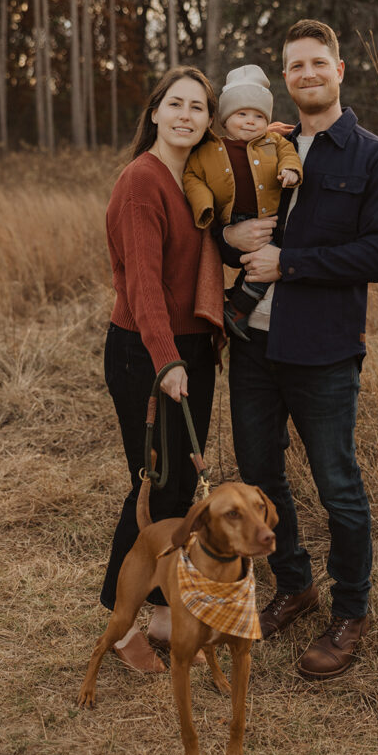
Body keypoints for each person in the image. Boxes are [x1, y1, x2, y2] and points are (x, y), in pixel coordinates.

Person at [219, 19, 378, 681]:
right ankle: (293, 587)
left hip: (323, 350)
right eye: (293, 66)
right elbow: (226, 229)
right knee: (261, 478)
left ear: (338, 70)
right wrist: (233, 240)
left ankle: (349, 612)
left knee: (338, 486)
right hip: (251, 346)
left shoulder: (374, 158)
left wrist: (288, 263)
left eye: (315, 63)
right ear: (284, 79)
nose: (304, 74)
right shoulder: (259, 146)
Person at [100, 66, 224, 672]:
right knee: (152, 484)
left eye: (198, 108)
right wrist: (166, 358)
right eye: (175, 104)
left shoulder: (193, 178)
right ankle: (120, 622)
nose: (185, 115)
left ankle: (159, 614)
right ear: (154, 112)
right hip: (146, 354)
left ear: (208, 120)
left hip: (190, 352)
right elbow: (143, 284)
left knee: (179, 489)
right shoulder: (142, 181)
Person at [182, 64, 303, 341]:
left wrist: (291, 170)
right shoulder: (210, 150)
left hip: (267, 221)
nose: (250, 121)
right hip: (231, 220)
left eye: (258, 116)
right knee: (249, 262)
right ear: (225, 119)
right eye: (241, 114)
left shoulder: (273, 141)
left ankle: (237, 309)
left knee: (264, 265)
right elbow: (192, 176)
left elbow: (289, 154)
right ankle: (226, 309)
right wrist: (204, 206)